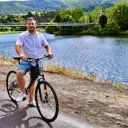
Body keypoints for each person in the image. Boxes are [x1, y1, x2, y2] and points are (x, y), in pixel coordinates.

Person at [15, 17, 53, 106]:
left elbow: (47, 46)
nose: (31, 25)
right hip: (27, 60)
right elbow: (17, 46)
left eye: (32, 23)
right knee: (19, 73)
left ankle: (31, 101)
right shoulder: (22, 36)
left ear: (35, 25)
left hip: (37, 62)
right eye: (29, 24)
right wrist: (21, 54)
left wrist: (49, 52)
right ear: (27, 25)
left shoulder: (40, 36)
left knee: (33, 81)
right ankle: (22, 92)